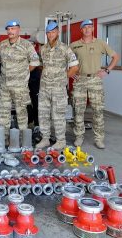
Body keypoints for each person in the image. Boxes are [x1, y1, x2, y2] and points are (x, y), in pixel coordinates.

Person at [70, 19, 119, 149]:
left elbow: (115, 56)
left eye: (89, 27)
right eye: (84, 27)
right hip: (79, 80)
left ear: (92, 29)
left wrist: (107, 70)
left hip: (95, 80)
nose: (87, 29)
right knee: (78, 110)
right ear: (81, 30)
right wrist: (69, 72)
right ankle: (79, 137)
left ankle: (99, 139)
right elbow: (64, 60)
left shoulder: (100, 43)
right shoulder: (74, 45)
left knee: (98, 110)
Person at [35, 21, 79, 150]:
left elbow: (75, 67)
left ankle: (61, 140)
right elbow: (40, 65)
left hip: (58, 89)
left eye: (53, 32)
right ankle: (45, 139)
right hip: (44, 88)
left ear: (58, 32)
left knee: (58, 115)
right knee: (43, 114)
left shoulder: (65, 48)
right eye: (48, 32)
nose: (50, 35)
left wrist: (62, 78)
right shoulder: (43, 49)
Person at [0, 19, 40, 134]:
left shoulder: (26, 45)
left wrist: (23, 72)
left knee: (21, 113)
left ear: (18, 30)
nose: (10, 31)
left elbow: (35, 62)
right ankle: (4, 138)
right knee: (3, 113)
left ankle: (22, 138)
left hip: (20, 86)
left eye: (13, 29)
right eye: (8, 29)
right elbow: (1, 61)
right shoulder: (2, 44)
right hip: (4, 86)